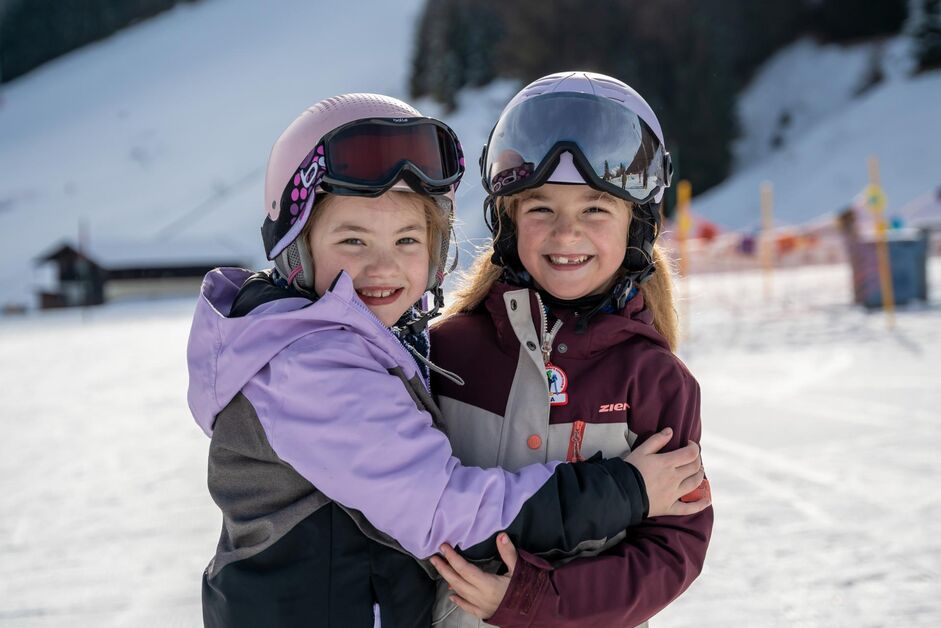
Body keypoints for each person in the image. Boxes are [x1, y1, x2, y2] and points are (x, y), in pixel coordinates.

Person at [186, 93, 708, 628]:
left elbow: (674, 548)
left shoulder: (655, 378)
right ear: (297, 246)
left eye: (407, 239)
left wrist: (545, 599)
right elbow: (443, 511)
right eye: (352, 240)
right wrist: (627, 490)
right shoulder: (402, 358)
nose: (383, 266)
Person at [428, 71, 714, 627]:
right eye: (541, 209)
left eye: (594, 209)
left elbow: (673, 551)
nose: (566, 234)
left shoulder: (654, 380)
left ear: (637, 225)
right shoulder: (446, 354)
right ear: (507, 219)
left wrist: (534, 601)